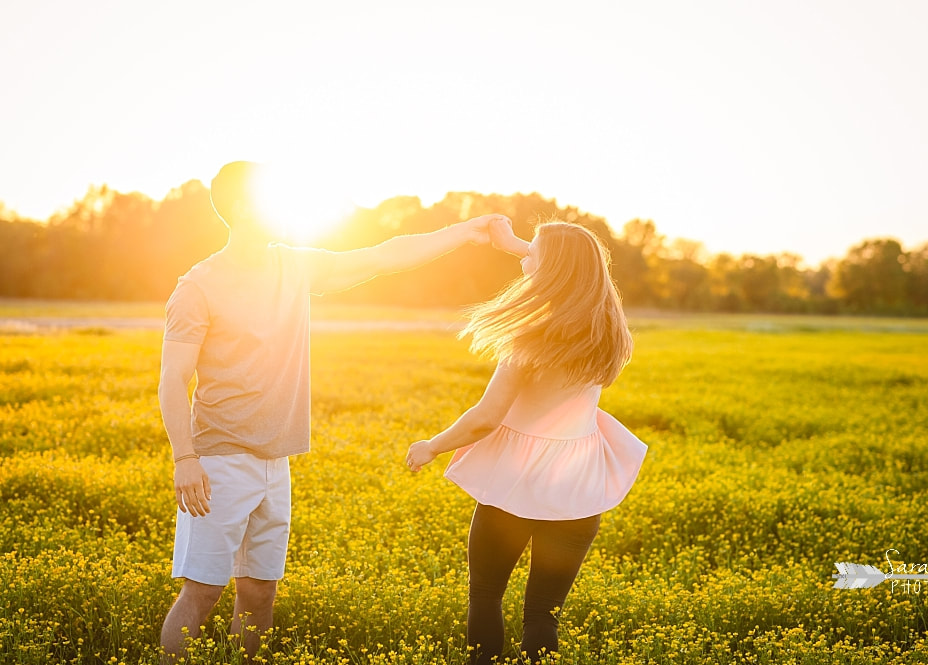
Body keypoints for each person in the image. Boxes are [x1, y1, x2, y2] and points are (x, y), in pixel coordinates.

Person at [159, 161, 513, 663]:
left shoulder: (294, 265)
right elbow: (173, 378)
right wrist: (184, 458)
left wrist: (467, 231)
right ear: (241, 207)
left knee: (259, 595)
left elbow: (383, 256)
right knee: (202, 594)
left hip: (275, 463)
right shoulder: (197, 287)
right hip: (218, 462)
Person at [403, 221, 649, 665]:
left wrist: (431, 445)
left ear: (551, 267)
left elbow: (485, 419)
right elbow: (571, 263)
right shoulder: (607, 334)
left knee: (486, 596)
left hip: (514, 482)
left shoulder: (531, 337)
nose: (524, 257)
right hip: (578, 488)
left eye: (532, 252)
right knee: (542, 615)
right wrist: (518, 243)